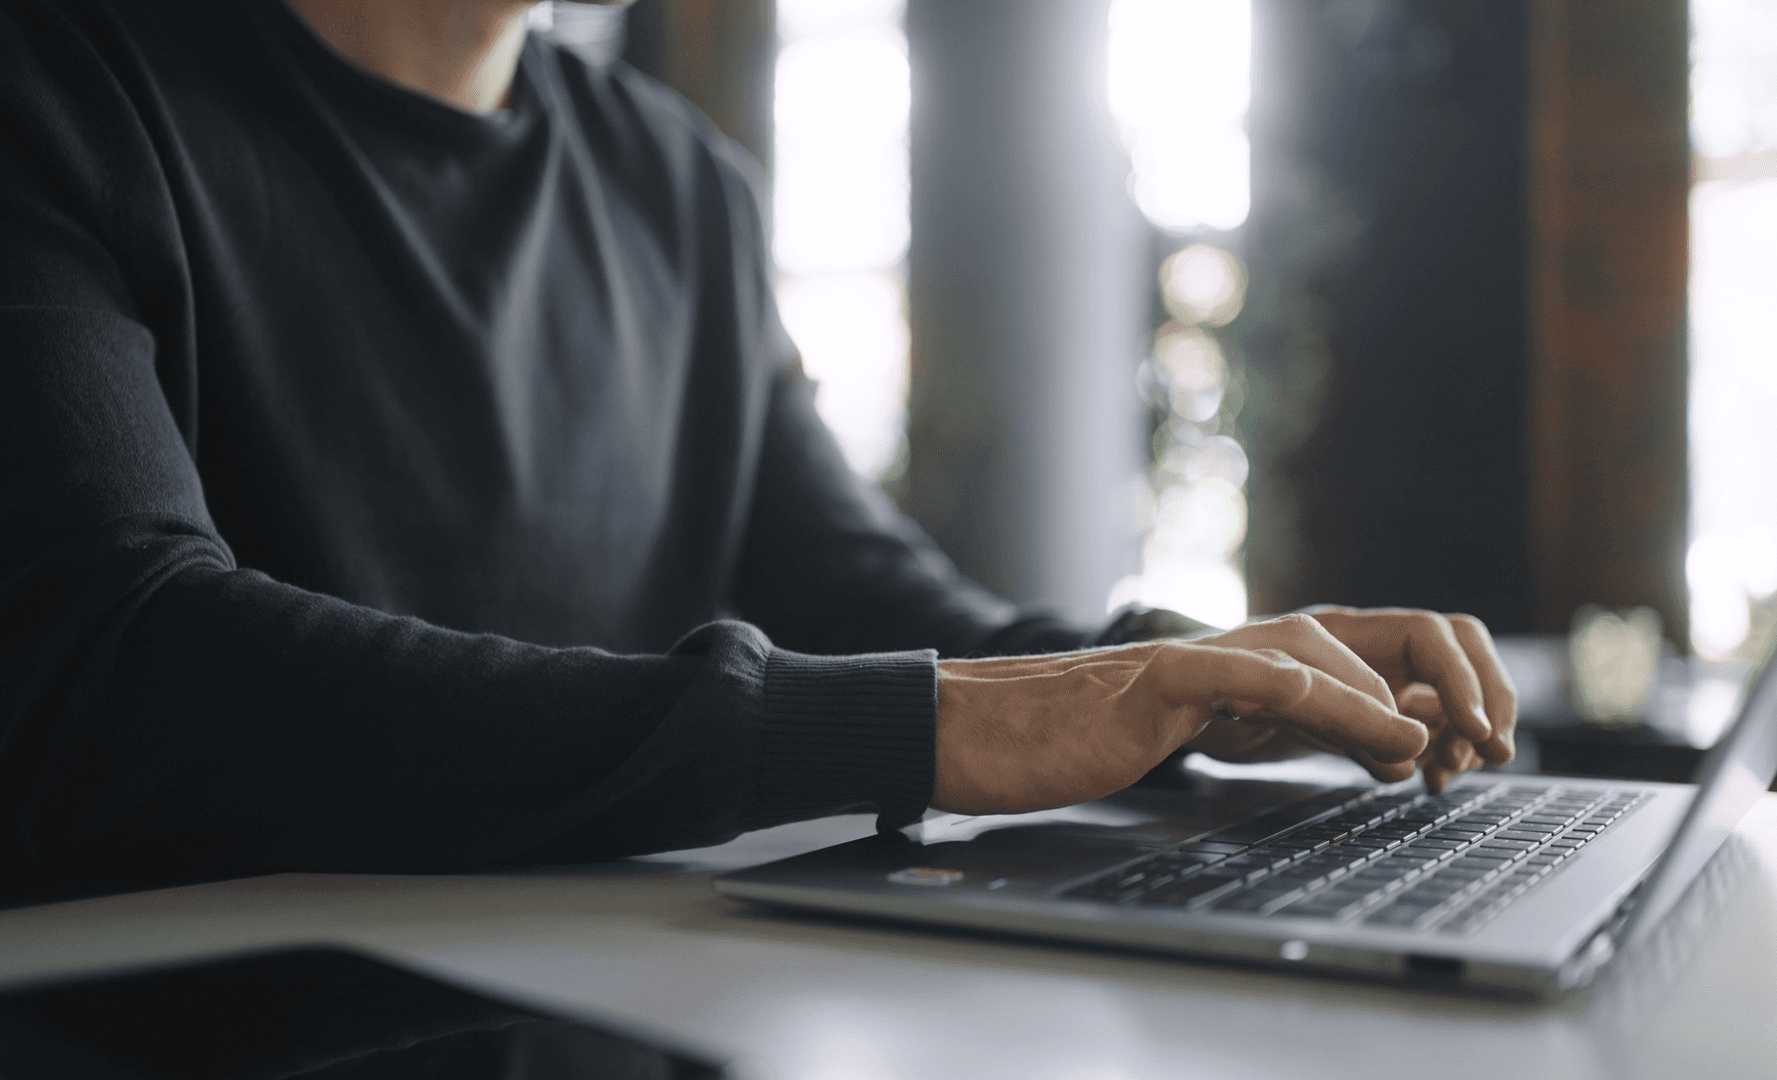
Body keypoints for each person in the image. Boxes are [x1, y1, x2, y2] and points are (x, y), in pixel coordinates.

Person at [0, 0, 1516, 884]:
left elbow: (864, 599)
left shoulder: (678, 186)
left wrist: (1188, 676)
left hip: (627, 1012)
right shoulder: (58, 88)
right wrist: (933, 723)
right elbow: (126, 657)